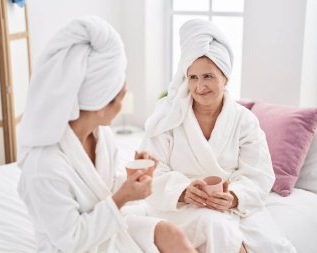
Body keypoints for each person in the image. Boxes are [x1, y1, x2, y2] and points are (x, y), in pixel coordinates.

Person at [17, 16, 196, 253]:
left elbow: (104, 188)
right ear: (100, 102)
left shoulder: (101, 134)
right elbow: (72, 240)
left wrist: (136, 178)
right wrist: (122, 197)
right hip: (76, 245)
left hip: (106, 229)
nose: (124, 102)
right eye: (121, 95)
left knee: (172, 233)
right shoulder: (44, 166)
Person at [140, 19, 297, 253]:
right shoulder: (168, 117)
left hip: (233, 207)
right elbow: (150, 171)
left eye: (208, 76)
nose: (199, 86)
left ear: (226, 77)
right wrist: (183, 190)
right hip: (179, 207)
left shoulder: (244, 121)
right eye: (192, 77)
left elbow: (259, 174)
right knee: (216, 227)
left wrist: (234, 197)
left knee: (271, 245)